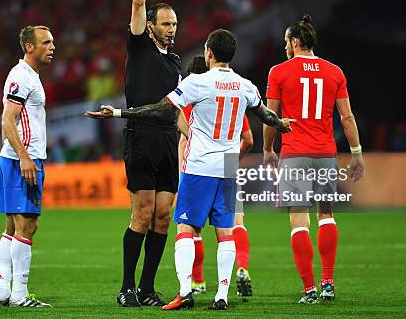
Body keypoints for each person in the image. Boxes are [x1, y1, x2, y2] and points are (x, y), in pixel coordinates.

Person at [87, 29, 294, 310]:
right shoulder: (246, 86)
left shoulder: (198, 83)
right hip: (228, 167)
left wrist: (120, 113)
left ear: (209, 52)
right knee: (225, 231)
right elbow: (266, 115)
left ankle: (185, 292)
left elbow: (160, 109)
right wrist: (281, 123)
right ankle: (221, 296)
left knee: (186, 227)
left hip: (200, 166)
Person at [263, 14, 365, 304]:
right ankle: (329, 283)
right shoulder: (334, 72)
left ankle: (309, 290)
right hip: (325, 152)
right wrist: (356, 153)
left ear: (295, 42)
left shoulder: (279, 72)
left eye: (286, 42)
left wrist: (269, 149)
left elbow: (271, 117)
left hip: (295, 152)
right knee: (326, 216)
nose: (284, 47)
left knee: (298, 221)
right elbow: (346, 117)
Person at [112, 0, 183, 307]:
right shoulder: (139, 44)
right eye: (166, 24)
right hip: (141, 135)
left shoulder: (176, 62)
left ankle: (147, 288)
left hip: (169, 139)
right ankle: (126, 288)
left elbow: (177, 108)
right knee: (141, 212)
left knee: (163, 216)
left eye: (175, 24)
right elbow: (139, 1)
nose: (172, 29)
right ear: (151, 25)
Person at [178, 55, 254, 299]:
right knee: (233, 225)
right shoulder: (237, 95)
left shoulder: (194, 95)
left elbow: (184, 138)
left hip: (198, 168)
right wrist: (231, 160)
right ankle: (240, 269)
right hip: (228, 167)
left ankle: (196, 282)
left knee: (191, 228)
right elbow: (249, 140)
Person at [0, 25, 55, 308]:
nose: (52, 47)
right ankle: (19, 295)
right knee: (27, 225)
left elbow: (15, 122)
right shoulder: (21, 76)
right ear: (29, 47)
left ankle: (3, 291)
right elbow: (7, 120)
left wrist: (9, 160)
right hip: (24, 160)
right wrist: (24, 158)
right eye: (46, 42)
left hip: (15, 159)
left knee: (11, 226)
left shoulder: (28, 76)